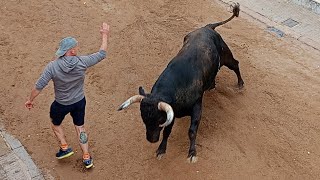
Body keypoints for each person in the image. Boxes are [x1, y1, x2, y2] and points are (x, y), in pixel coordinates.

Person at [25, 22, 110, 169]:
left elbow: (39, 86)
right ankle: (86, 157)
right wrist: (105, 35)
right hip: (79, 102)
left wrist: (30, 100)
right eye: (75, 46)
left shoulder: (52, 66)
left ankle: (64, 147)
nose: (77, 48)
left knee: (55, 123)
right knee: (80, 127)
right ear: (71, 51)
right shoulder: (82, 62)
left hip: (61, 104)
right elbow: (102, 53)